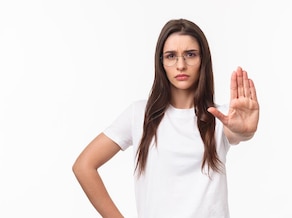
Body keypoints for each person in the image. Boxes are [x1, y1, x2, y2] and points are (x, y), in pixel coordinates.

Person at [72, 18, 260, 218]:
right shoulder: (139, 115)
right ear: (161, 62)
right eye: (171, 56)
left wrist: (245, 132)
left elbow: (236, 133)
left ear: (203, 60)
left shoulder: (219, 117)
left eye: (190, 54)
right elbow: (84, 166)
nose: (181, 65)